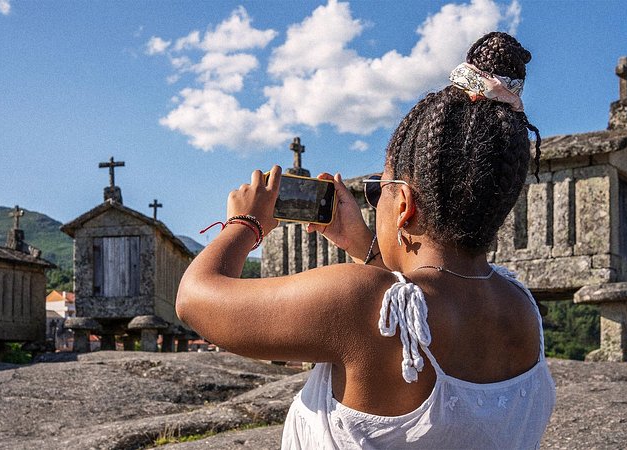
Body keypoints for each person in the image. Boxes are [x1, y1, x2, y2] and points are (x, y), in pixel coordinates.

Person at [177, 32, 556, 449]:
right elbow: (413, 315)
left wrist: (245, 223)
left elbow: (195, 299)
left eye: (380, 189)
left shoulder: (358, 300)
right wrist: (364, 245)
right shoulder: (521, 309)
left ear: (405, 206)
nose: (375, 202)